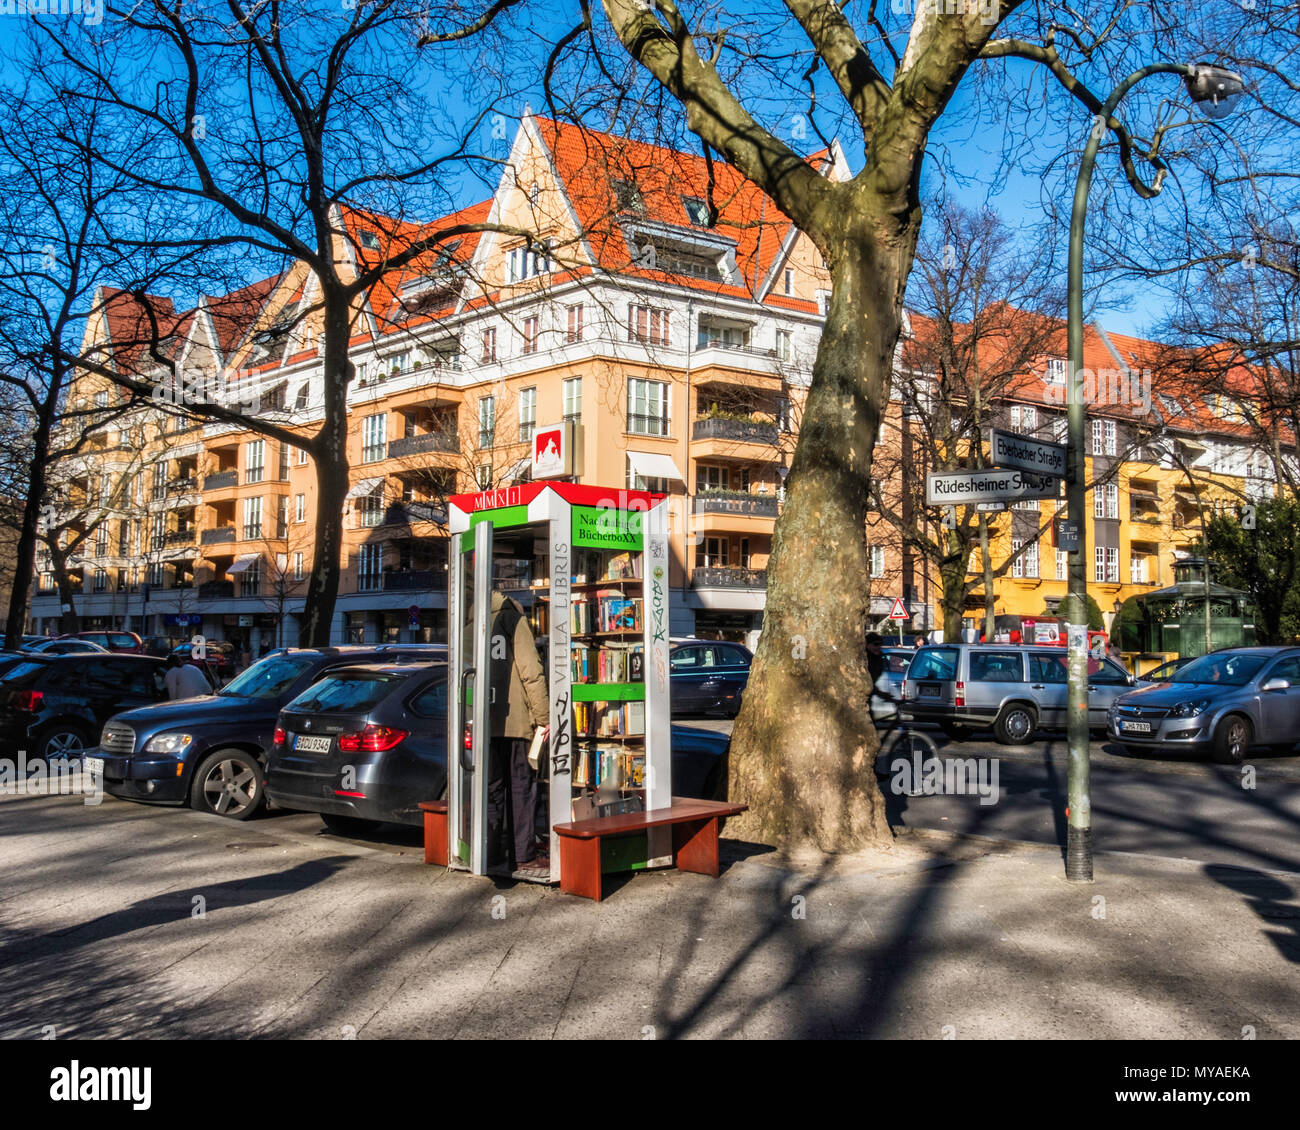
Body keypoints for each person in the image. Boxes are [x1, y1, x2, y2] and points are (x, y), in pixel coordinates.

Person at [485, 589, 550, 873]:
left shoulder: (471, 621)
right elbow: (531, 672)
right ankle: (523, 855)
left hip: (484, 720)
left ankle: (489, 851)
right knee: (522, 787)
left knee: (492, 789)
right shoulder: (513, 619)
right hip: (515, 721)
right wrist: (545, 717)